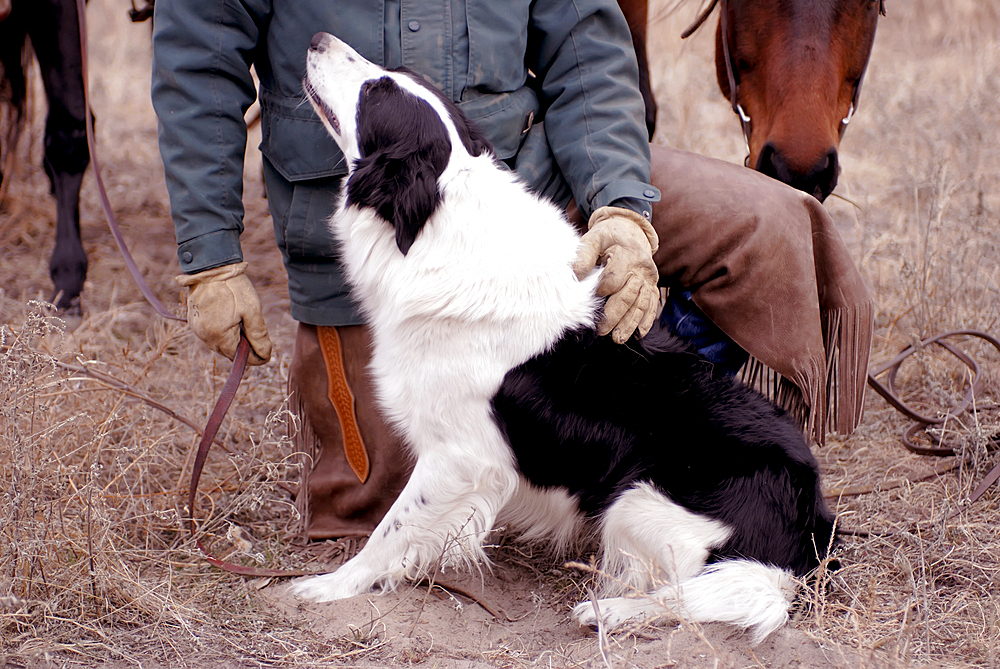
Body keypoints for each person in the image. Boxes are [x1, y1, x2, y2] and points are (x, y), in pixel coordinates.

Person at [152, 0, 873, 540]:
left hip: (530, 189)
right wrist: (211, 256)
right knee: (374, 515)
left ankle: (686, 459)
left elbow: (587, 48)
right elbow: (198, 57)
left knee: (768, 228)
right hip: (390, 241)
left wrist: (620, 208)